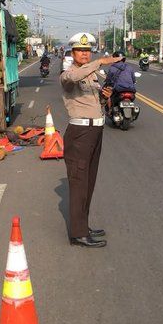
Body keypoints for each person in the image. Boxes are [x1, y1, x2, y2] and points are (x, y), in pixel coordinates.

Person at [60, 32, 122, 248]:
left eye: (88, 51)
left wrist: (104, 96)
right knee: (78, 182)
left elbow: (94, 103)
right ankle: (77, 233)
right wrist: (100, 62)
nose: (85, 54)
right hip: (80, 133)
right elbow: (74, 79)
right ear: (72, 52)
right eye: (80, 50)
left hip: (95, 130)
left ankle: (83, 226)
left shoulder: (91, 76)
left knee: (89, 181)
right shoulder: (68, 74)